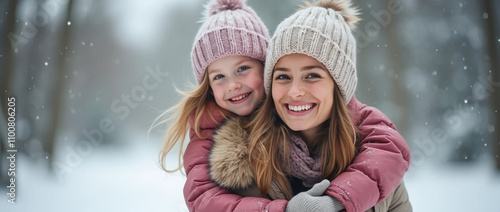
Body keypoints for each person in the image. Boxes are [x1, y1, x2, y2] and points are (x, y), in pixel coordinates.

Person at [208, 0, 412, 211]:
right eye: (283, 76)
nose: (295, 91)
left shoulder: (375, 163)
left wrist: (335, 204)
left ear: (338, 85)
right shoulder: (242, 167)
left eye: (312, 75)